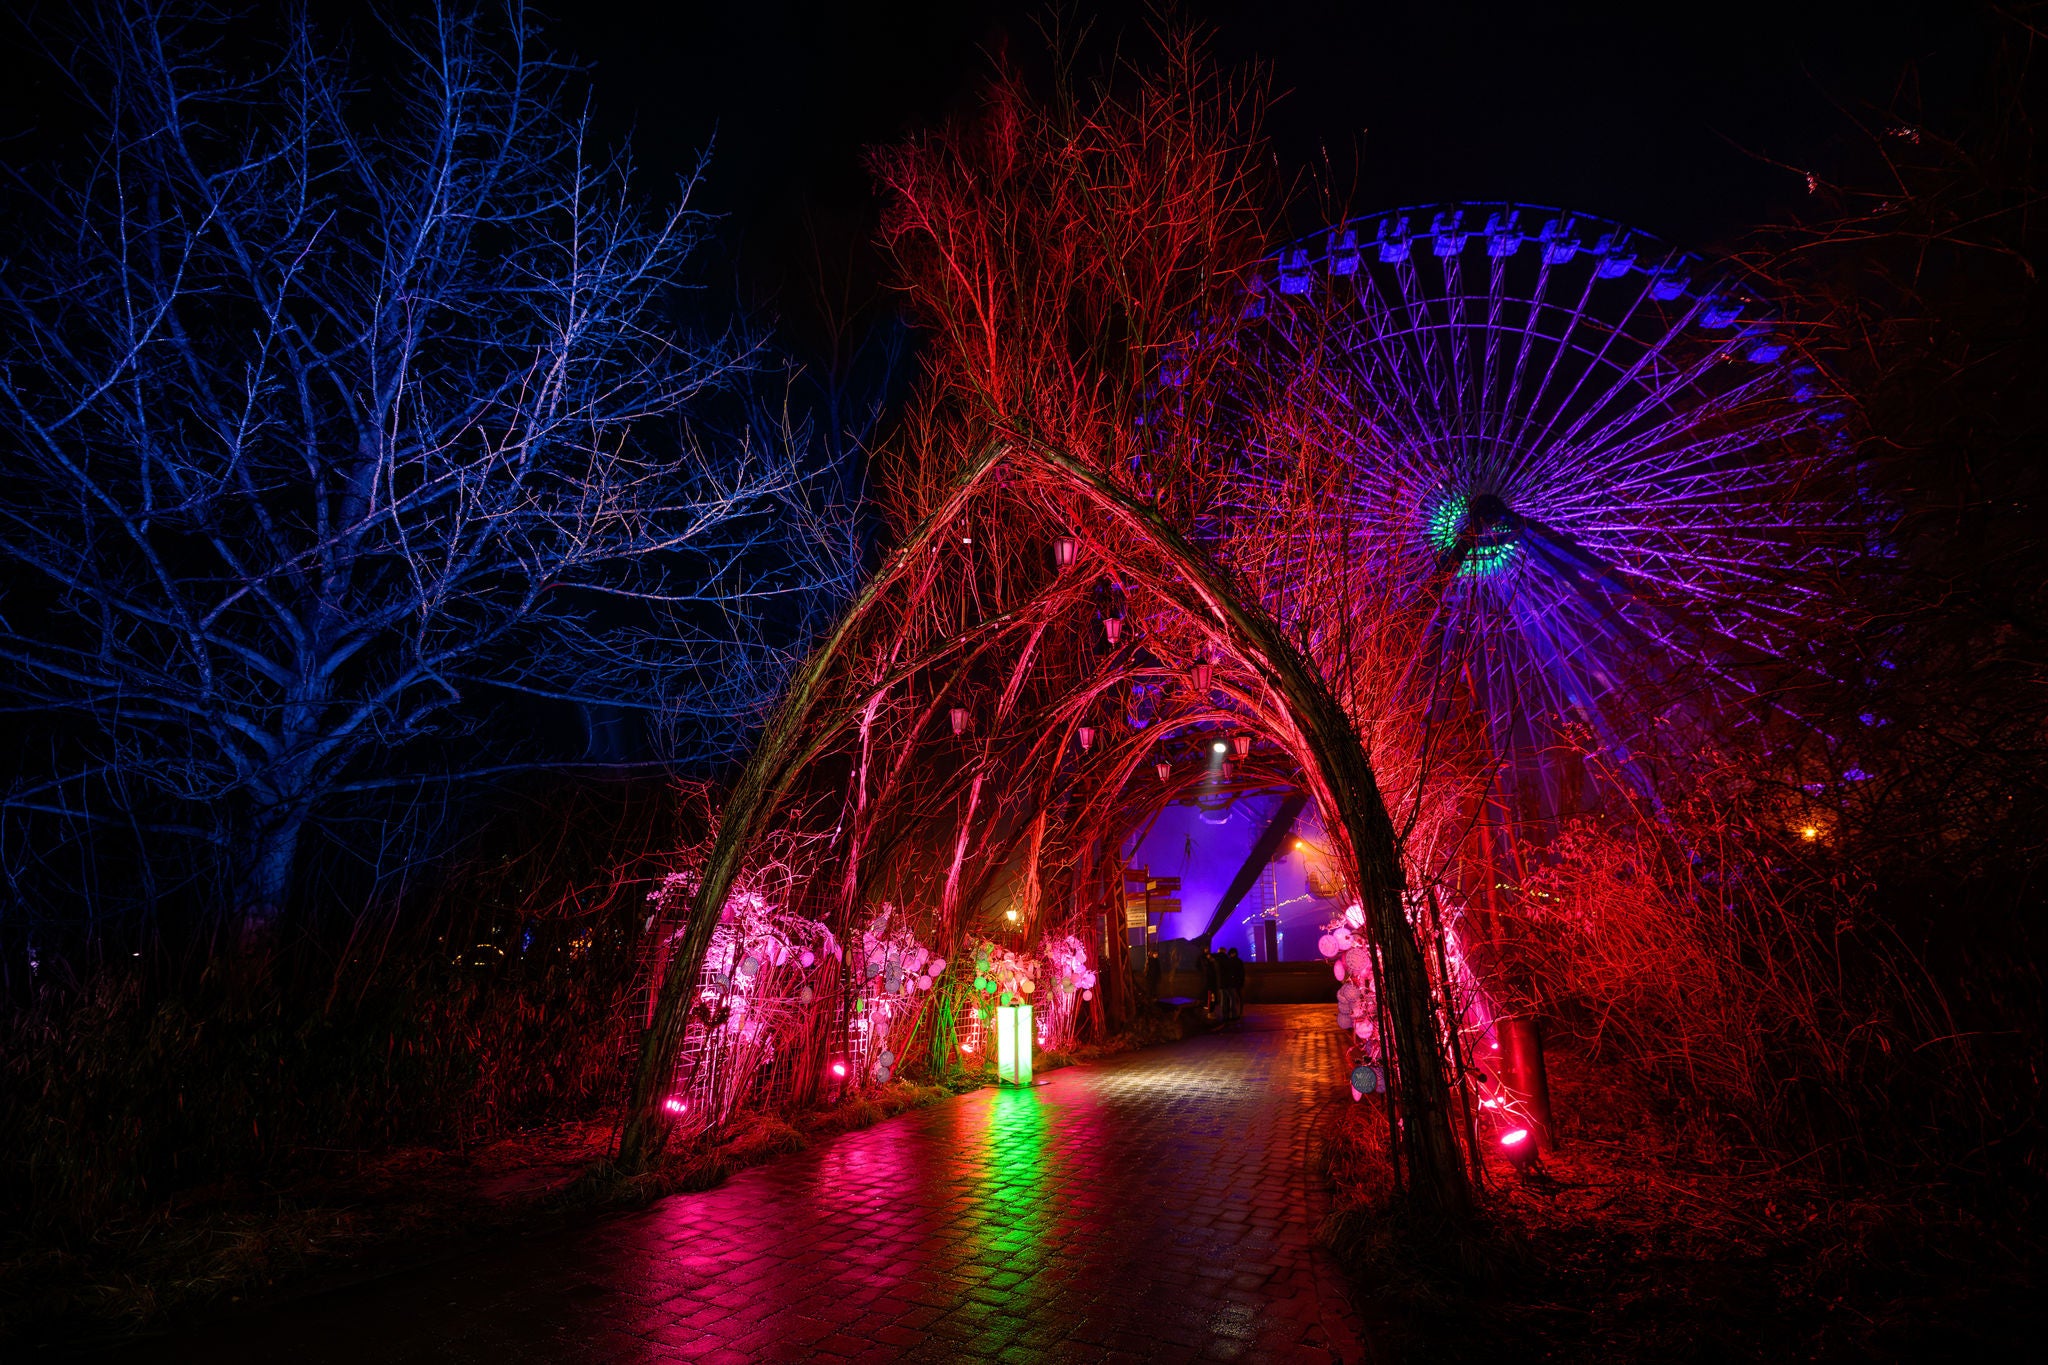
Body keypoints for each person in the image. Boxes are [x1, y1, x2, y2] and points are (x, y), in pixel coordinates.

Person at [1223, 947, 1245, 1022]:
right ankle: (1239, 1013)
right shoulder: (1239, 961)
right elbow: (1242, 973)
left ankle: (1231, 1014)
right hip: (1238, 983)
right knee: (1239, 998)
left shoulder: (1228, 962)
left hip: (1231, 983)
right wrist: (1241, 982)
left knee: (1232, 999)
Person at [1201, 944, 1221, 1018]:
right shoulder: (1209, 963)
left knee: (1211, 997)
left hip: (1210, 983)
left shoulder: (1208, 963)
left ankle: (1210, 1010)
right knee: (1211, 997)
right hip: (1210, 983)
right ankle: (1210, 1011)